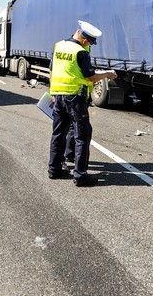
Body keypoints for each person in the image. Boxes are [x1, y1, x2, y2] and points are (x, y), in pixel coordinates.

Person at [48, 20, 117, 187]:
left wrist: (53, 91)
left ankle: (54, 169)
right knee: (83, 135)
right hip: (75, 99)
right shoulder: (81, 52)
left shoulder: (59, 46)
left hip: (58, 97)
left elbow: (51, 70)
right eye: (90, 41)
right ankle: (80, 175)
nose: (90, 44)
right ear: (85, 39)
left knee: (58, 133)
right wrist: (108, 74)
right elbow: (90, 77)